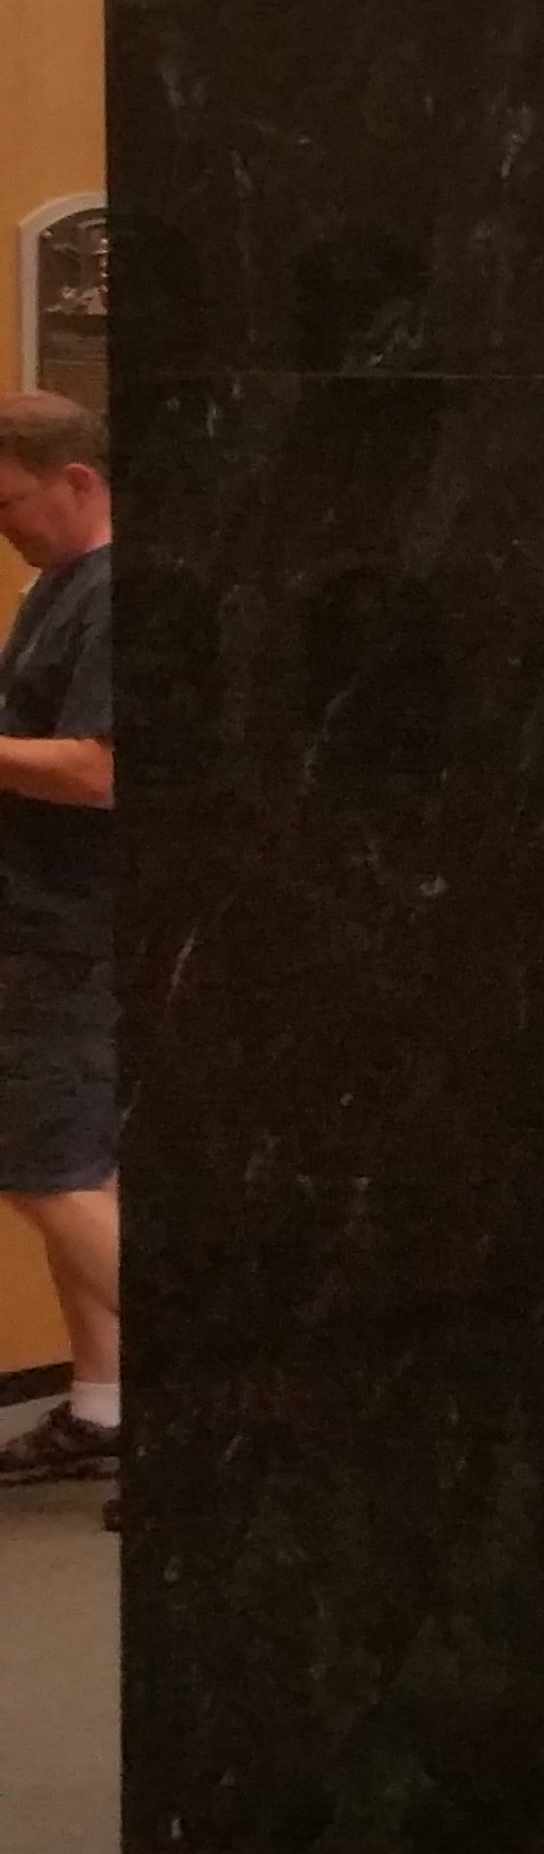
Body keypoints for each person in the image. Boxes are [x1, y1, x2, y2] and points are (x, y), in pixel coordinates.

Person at [0, 397, 120, 1499]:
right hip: (42, 927)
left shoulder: (115, 594)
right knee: (69, 1170)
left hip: (72, 936)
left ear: (77, 479)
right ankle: (103, 1406)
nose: (6, 528)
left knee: (45, 1173)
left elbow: (98, 769)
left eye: (10, 502)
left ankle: (259, 1400)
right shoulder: (57, 588)